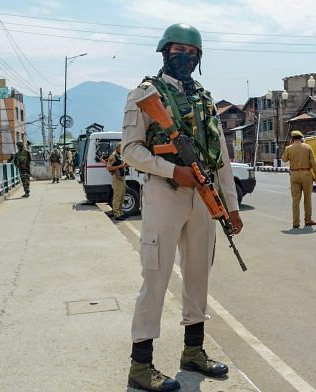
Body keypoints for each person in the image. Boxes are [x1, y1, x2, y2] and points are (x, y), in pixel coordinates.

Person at [121, 23, 243, 391]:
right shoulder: (144, 94)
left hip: (203, 199)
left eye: (193, 53)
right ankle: (141, 366)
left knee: (197, 277)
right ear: (163, 52)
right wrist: (172, 169)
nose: (186, 58)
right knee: (155, 278)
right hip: (164, 194)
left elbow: (220, 156)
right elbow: (130, 150)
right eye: (179, 51)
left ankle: (193, 352)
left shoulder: (205, 99)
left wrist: (230, 207)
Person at [281, 130, 316, 228]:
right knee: (307, 199)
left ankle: (296, 223)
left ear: (292, 139)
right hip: (306, 174)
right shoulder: (307, 147)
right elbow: (314, 163)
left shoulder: (289, 148)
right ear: (301, 138)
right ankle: (308, 220)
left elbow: (284, 159)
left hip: (294, 174)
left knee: (295, 200)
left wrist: (289, 147)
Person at [105, 143, 128, 221]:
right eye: (122, 148)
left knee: (122, 196)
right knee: (117, 197)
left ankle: (120, 212)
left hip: (122, 177)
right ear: (118, 148)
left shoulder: (120, 155)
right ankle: (116, 214)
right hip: (117, 178)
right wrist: (120, 166)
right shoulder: (113, 156)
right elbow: (109, 168)